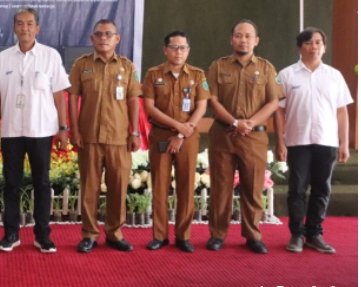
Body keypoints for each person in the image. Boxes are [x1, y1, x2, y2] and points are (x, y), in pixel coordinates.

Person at [0, 7, 70, 253]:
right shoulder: (3, 58)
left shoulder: (50, 56)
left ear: (37, 28)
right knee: (11, 184)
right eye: (20, 24)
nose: (25, 28)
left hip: (41, 130)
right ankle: (11, 234)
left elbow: (59, 95)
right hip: (11, 130)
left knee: (42, 183)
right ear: (14, 28)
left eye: (30, 23)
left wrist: (63, 128)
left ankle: (42, 235)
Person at [206, 19, 283, 254]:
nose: (243, 40)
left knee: (253, 187)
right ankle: (218, 234)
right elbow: (212, 100)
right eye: (238, 35)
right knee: (221, 188)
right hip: (223, 134)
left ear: (256, 41)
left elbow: (273, 102)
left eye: (248, 36)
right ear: (231, 40)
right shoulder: (218, 66)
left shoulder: (267, 68)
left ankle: (253, 235)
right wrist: (234, 122)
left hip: (254, 137)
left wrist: (249, 123)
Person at [274, 27, 353, 254]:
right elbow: (278, 111)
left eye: (318, 42)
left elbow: (341, 111)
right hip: (297, 141)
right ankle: (297, 234)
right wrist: (280, 142)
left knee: (322, 189)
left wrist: (344, 142)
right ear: (299, 48)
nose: (314, 46)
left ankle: (314, 234)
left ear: (324, 48)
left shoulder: (334, 76)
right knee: (297, 189)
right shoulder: (286, 75)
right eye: (308, 42)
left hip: (327, 141)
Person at [68, 20, 142, 254]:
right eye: (98, 34)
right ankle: (89, 234)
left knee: (118, 188)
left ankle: (114, 233)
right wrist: (74, 130)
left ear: (117, 38)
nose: (103, 38)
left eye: (108, 34)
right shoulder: (82, 65)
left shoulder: (127, 67)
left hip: (119, 138)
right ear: (92, 39)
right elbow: (72, 98)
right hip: (89, 136)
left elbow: (133, 100)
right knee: (89, 188)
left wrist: (135, 131)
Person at [142, 31, 209, 253]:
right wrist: (176, 126)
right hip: (160, 135)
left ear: (188, 50)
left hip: (187, 137)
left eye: (183, 48)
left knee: (186, 186)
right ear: (165, 50)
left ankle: (184, 236)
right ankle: (159, 236)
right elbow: (149, 107)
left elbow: (202, 106)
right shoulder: (153, 74)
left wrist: (181, 133)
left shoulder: (198, 75)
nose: (178, 52)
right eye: (174, 48)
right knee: (159, 187)